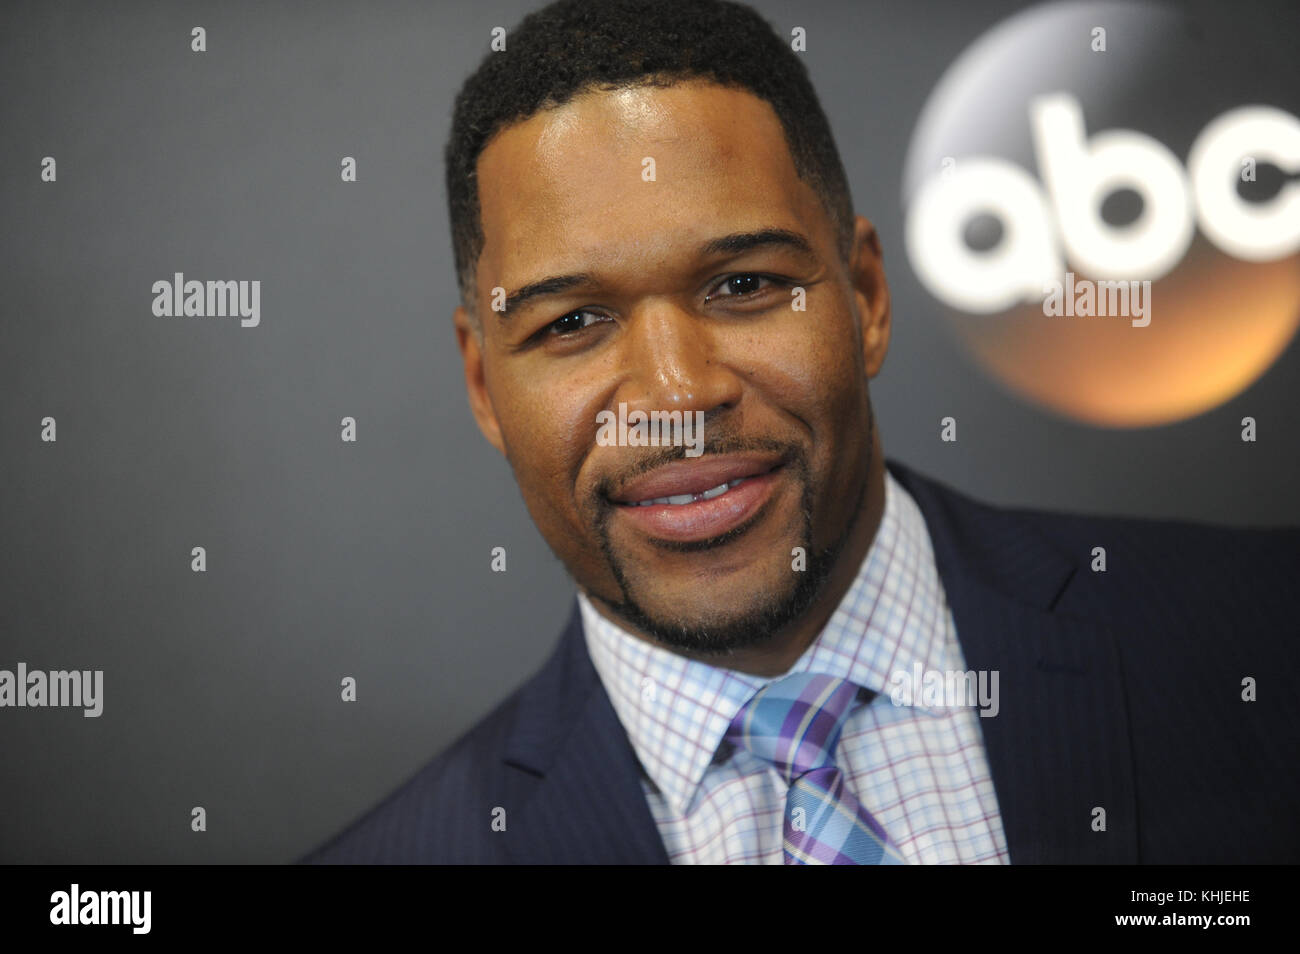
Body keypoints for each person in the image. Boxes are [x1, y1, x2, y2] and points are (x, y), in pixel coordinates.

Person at [303, 0, 1299, 864]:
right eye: (570, 323)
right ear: (482, 382)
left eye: (743, 286)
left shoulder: (1262, 638)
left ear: (864, 296)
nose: (677, 395)